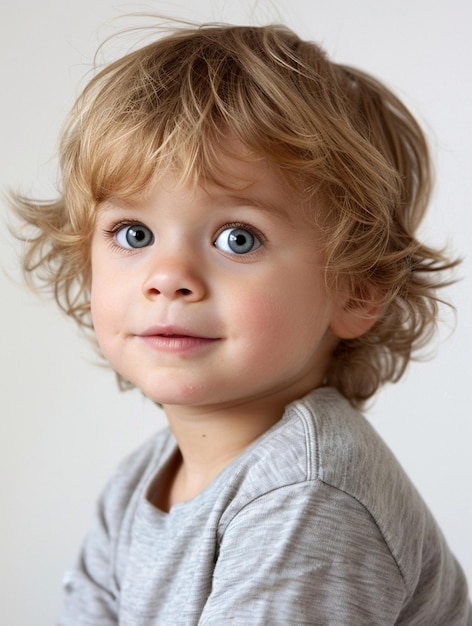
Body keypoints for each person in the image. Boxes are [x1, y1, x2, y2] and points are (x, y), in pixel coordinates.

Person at [11, 20, 471, 625]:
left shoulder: (309, 497)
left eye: (237, 237)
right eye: (134, 234)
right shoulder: (140, 480)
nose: (168, 275)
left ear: (358, 288)